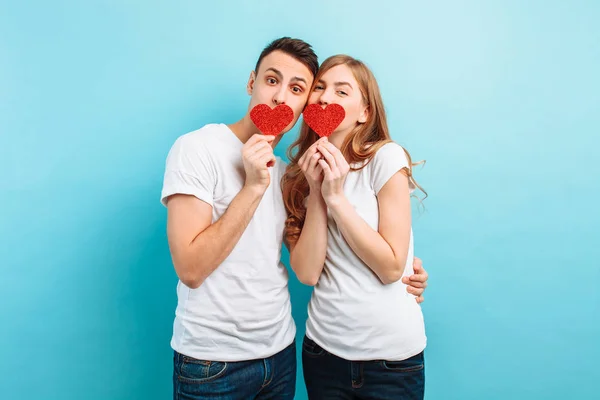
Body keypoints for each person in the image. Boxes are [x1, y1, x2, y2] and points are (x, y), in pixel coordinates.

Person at [161, 38, 429, 400]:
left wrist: (326, 194)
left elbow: (374, 266)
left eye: (298, 88)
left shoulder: (299, 174)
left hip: (281, 354)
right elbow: (193, 270)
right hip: (215, 363)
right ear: (251, 82)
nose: (280, 97)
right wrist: (261, 186)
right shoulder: (202, 150)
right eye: (272, 81)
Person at [282, 54, 428, 399]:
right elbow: (306, 273)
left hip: (392, 360)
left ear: (364, 112)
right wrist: (316, 191)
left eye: (342, 91)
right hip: (324, 353)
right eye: (319, 88)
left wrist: (336, 198)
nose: (326, 97)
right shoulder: (295, 177)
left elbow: (392, 267)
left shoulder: (385, 158)